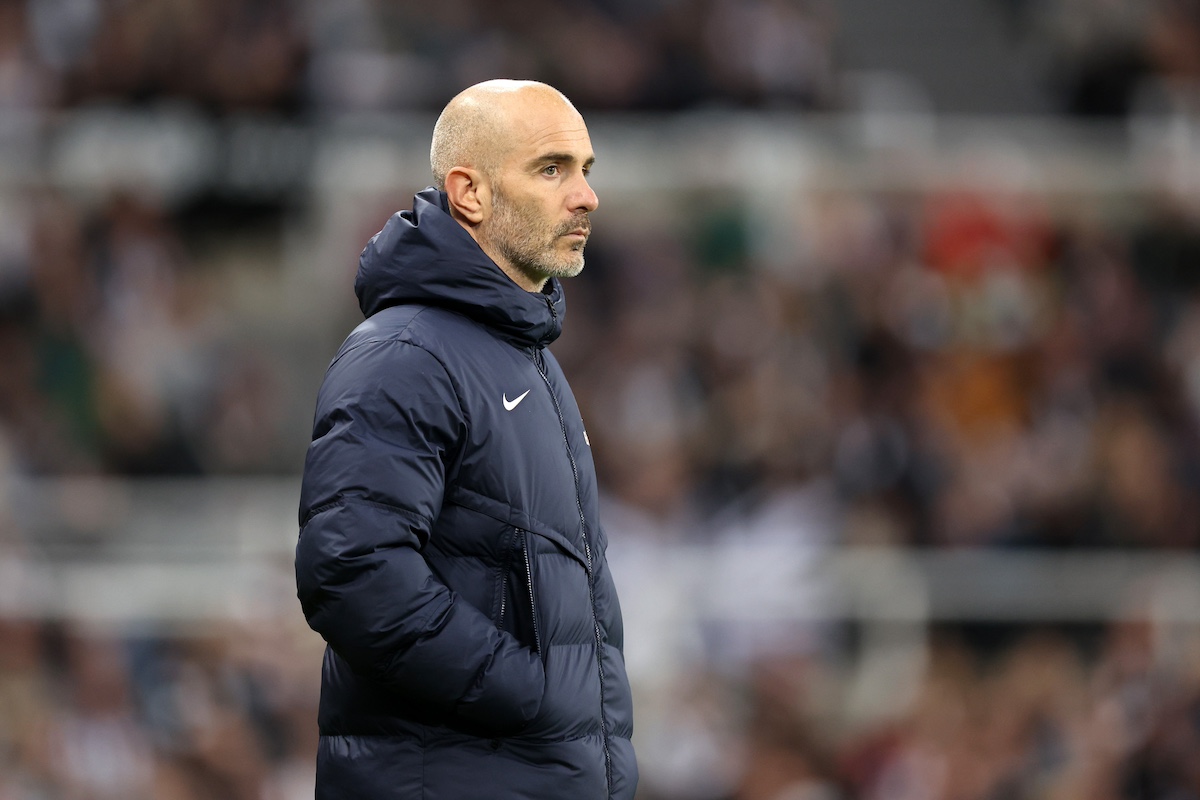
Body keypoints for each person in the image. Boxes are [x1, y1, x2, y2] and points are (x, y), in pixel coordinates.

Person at [295, 80, 638, 799]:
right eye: (552, 169)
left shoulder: (525, 357)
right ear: (469, 193)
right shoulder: (406, 355)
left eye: (586, 169)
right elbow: (352, 573)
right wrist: (531, 696)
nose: (585, 197)